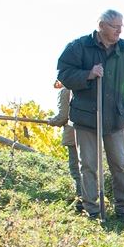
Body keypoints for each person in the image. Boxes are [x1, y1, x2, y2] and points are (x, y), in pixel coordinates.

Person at [56, 10, 124, 222]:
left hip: (116, 119)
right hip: (86, 118)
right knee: (88, 165)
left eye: (122, 26)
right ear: (102, 26)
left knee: (120, 166)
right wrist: (88, 74)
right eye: (115, 26)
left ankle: (122, 211)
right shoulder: (78, 47)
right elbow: (63, 75)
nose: (119, 31)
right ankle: (92, 210)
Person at [46, 80, 84, 213]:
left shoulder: (66, 90)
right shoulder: (85, 87)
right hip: (91, 133)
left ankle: (81, 201)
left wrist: (51, 121)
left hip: (73, 134)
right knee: (90, 167)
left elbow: (63, 116)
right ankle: (89, 199)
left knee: (76, 169)